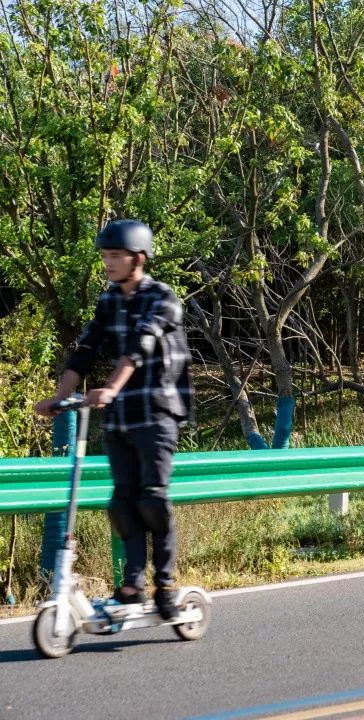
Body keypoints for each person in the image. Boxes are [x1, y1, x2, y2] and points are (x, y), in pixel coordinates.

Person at [35, 219, 193, 620]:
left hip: (157, 411)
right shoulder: (109, 300)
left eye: (114, 256)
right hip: (121, 416)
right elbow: (86, 349)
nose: (107, 262)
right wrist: (57, 398)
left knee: (152, 498)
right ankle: (133, 585)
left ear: (137, 258)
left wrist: (110, 388)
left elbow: (140, 346)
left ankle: (167, 585)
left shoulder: (163, 297)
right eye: (105, 255)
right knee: (122, 503)